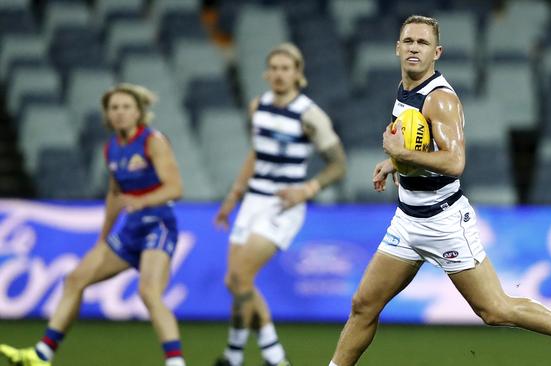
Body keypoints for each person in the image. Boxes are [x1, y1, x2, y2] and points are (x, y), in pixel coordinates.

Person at [328, 15, 551, 366]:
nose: (414, 49)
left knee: (495, 309)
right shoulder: (405, 88)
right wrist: (394, 164)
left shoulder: (440, 99)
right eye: (408, 41)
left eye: (422, 44)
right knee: (364, 306)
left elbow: (454, 162)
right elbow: (420, 144)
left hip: (443, 222)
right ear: (397, 47)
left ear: (437, 52)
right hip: (408, 221)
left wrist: (401, 154)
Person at [0, 84, 186, 366]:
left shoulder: (153, 141)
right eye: (114, 108)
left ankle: (176, 362)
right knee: (75, 280)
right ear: (107, 115)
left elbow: (175, 188)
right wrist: (104, 237)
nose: (120, 113)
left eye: (126, 107)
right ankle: (42, 355)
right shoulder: (112, 148)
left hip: (158, 226)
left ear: (139, 112)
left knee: (149, 292)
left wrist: (143, 200)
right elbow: (114, 194)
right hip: (130, 230)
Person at [213, 43, 347, 366]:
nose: (278, 74)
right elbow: (256, 153)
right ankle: (234, 355)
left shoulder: (309, 114)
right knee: (235, 281)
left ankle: (273, 356)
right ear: (265, 73)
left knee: (241, 276)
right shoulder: (257, 106)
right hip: (253, 200)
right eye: (273, 67)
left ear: (298, 74)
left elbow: (339, 164)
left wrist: (308, 189)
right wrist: (233, 196)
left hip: (283, 206)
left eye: (285, 68)